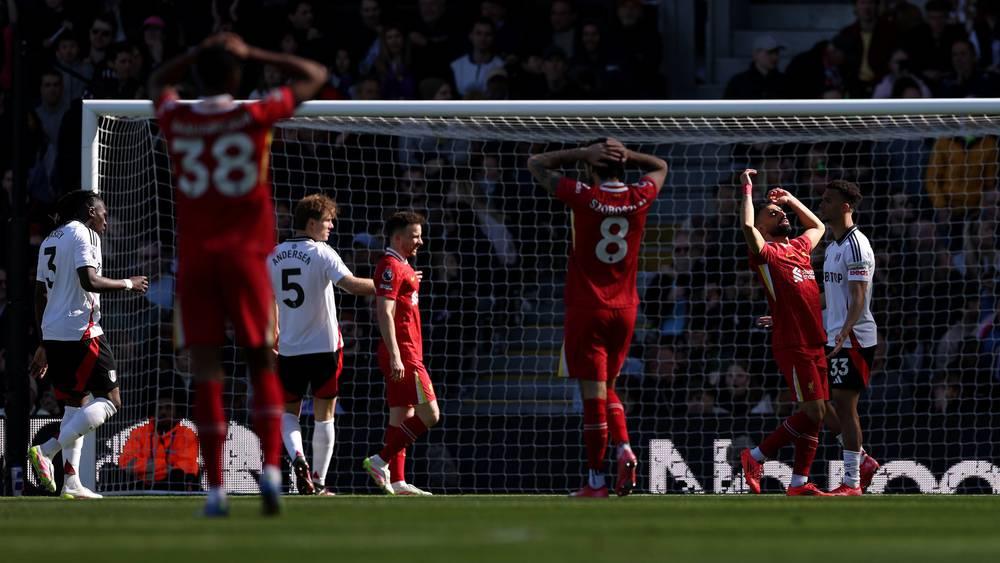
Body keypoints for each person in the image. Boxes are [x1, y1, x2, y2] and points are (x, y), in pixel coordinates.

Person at [149, 32, 327, 516]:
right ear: (236, 74)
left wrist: (195, 52)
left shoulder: (178, 118)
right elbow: (315, 75)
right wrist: (254, 51)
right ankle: (271, 471)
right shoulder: (253, 115)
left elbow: (157, 82)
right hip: (248, 257)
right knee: (261, 361)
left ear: (198, 74)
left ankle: (215, 491)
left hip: (197, 261)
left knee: (207, 370)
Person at [527, 138, 668, 497]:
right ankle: (622, 449)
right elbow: (660, 167)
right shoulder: (640, 196)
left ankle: (597, 480)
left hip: (588, 306)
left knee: (592, 396)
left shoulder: (583, 195)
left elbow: (537, 163)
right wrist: (631, 154)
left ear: (592, 168)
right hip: (625, 309)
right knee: (610, 388)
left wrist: (580, 153)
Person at [27, 191, 149, 499]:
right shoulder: (85, 234)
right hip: (82, 331)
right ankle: (47, 448)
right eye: (102, 212)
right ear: (88, 211)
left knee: (75, 406)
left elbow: (40, 295)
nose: (105, 218)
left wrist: (43, 342)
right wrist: (128, 284)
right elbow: (90, 281)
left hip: (55, 334)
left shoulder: (49, 240)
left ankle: (71, 483)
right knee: (112, 401)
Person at [268, 194, 374, 496]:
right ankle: (319, 480)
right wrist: (389, 285)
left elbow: (265, 300)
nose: (331, 226)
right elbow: (352, 285)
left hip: (289, 349)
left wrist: (271, 333)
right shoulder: (323, 253)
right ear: (312, 223)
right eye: (328, 220)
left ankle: (297, 457)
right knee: (325, 413)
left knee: (289, 413)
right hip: (325, 347)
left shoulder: (273, 255)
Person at [737, 168, 831, 496]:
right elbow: (747, 225)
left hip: (816, 340)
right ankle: (755, 456)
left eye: (783, 212)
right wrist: (748, 191)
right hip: (794, 344)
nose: (782, 215)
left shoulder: (800, 248)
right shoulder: (765, 254)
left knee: (816, 415)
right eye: (774, 213)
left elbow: (818, 225)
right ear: (764, 225)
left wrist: (790, 199)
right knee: (814, 411)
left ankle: (799, 483)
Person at [362, 211, 439, 496]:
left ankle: (397, 480)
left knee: (401, 415)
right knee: (430, 415)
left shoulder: (401, 266)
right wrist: (395, 354)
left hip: (407, 350)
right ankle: (380, 460)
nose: (420, 241)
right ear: (397, 237)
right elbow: (384, 310)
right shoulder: (390, 265)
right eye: (414, 235)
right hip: (404, 352)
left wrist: (408, 276)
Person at [817, 180, 881, 494]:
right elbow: (827, 297)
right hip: (835, 336)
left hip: (854, 337)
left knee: (844, 404)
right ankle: (863, 461)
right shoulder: (832, 247)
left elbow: (859, 296)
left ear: (845, 207)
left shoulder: (857, 245)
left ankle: (853, 482)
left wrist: (845, 331)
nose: (822, 204)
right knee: (817, 402)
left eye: (828, 200)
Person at [119, 392, 200, 491]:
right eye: (160, 408)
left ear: (176, 411)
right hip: (141, 484)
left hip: (172, 483)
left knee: (178, 475)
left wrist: (148, 469)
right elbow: (126, 463)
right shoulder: (139, 432)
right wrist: (165, 466)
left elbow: (186, 467)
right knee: (113, 471)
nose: (163, 412)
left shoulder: (187, 433)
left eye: (168, 408)